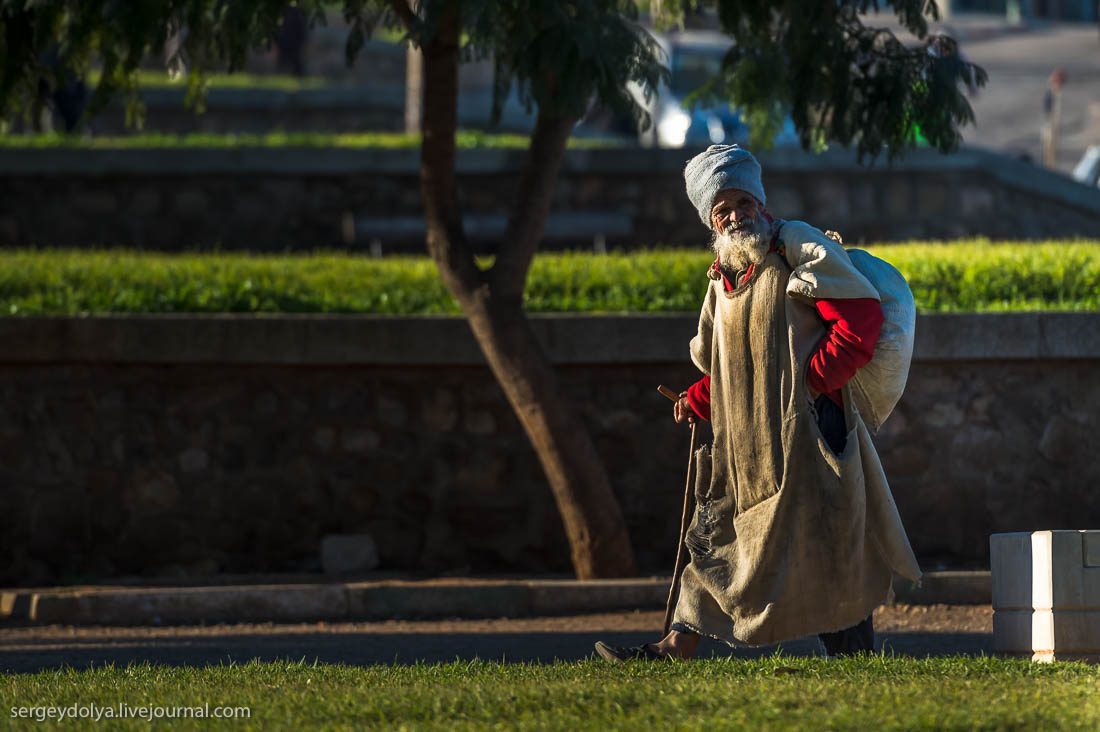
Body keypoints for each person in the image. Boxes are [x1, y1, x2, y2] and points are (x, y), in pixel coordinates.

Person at [595, 144, 921, 661]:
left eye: (742, 203)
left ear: (761, 204)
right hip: (746, 441)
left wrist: (810, 383)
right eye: (721, 210)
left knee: (828, 543)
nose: (734, 216)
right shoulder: (722, 280)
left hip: (812, 429)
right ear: (710, 222)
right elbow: (731, 366)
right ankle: (677, 644)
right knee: (716, 534)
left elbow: (860, 321)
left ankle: (855, 657)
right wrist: (697, 400)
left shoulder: (797, 247)